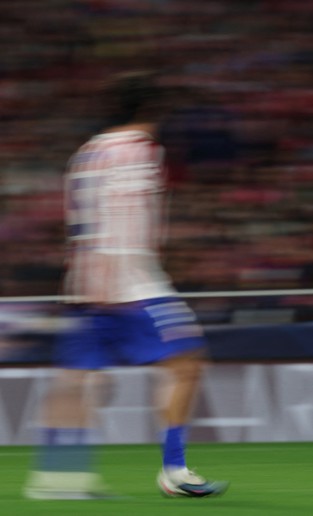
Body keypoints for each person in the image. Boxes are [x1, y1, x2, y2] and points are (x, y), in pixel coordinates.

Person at [24, 72, 229, 498]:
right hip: (130, 284)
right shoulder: (139, 150)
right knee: (187, 361)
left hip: (83, 282)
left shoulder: (86, 152)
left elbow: (81, 221)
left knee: (76, 376)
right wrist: (113, 283)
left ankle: (59, 477)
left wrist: (89, 280)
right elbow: (121, 215)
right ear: (152, 111)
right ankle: (174, 470)